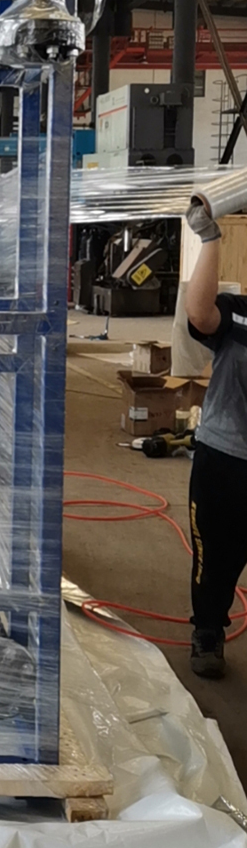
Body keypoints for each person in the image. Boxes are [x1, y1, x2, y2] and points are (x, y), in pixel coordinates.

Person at [184, 192, 247, 678]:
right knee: (216, 557)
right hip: (225, 458)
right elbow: (200, 313)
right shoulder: (240, 314)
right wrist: (209, 237)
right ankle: (207, 631)